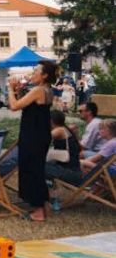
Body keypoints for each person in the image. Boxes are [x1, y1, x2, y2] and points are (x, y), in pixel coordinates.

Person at [9, 59, 57, 222]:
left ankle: (38, 210)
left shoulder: (38, 90)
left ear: (44, 75)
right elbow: (27, 104)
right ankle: (42, 205)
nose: (33, 73)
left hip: (33, 134)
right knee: (37, 169)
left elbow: (14, 106)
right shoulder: (48, 90)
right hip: (40, 133)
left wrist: (10, 89)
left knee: (31, 170)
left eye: (36, 71)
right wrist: (18, 90)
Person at [46, 110, 84, 198]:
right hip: (73, 171)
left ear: (51, 121)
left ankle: (49, 192)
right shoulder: (65, 129)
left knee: (36, 165)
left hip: (71, 174)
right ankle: (50, 190)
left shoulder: (59, 130)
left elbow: (43, 138)